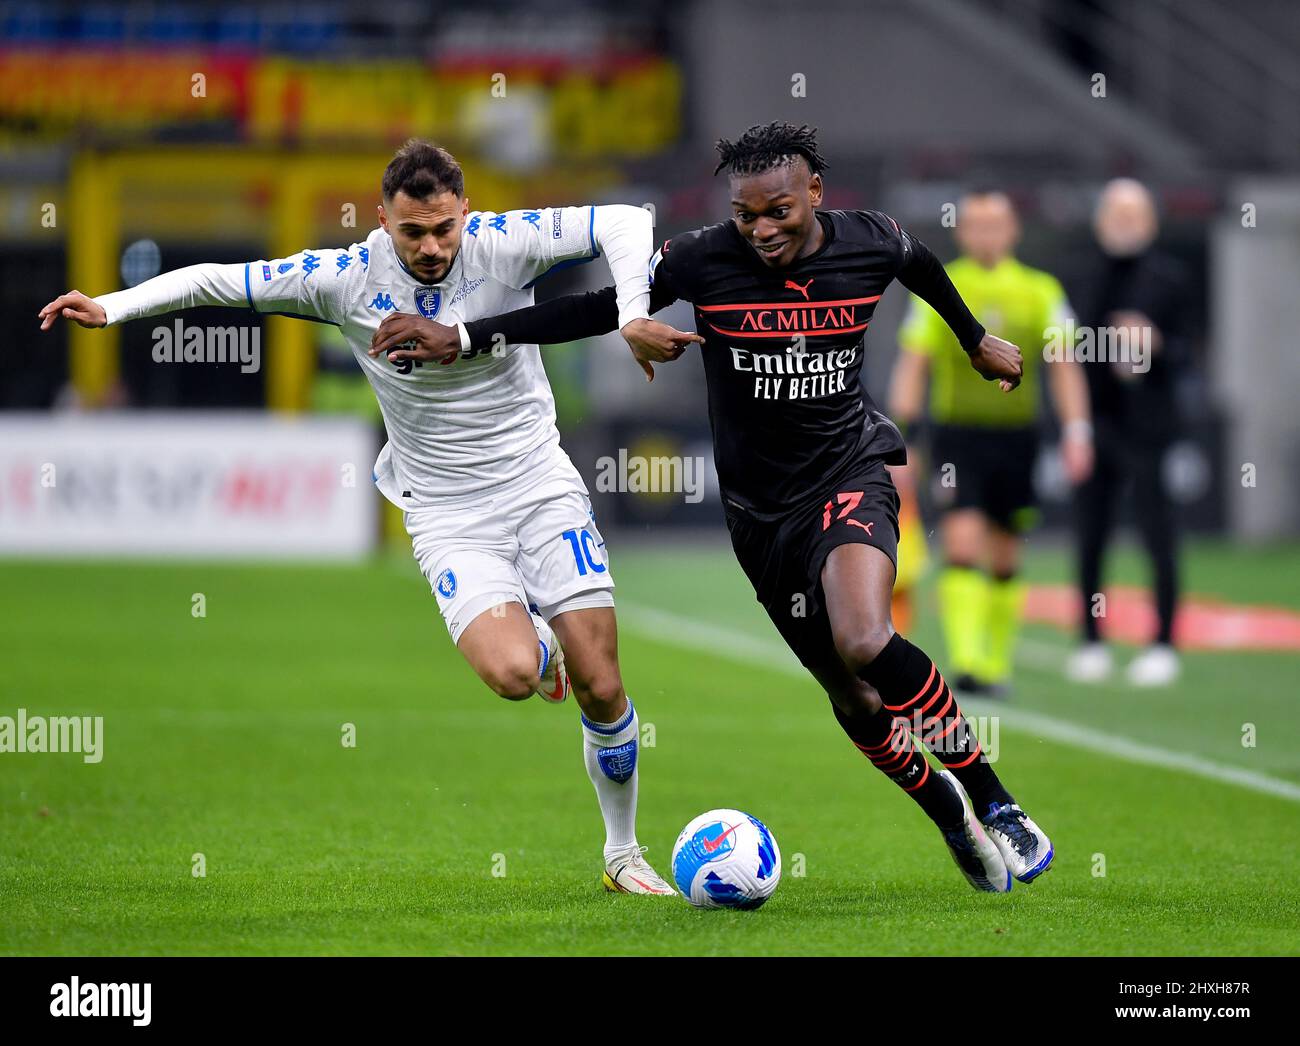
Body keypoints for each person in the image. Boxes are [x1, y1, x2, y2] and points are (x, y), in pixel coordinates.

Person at [371, 123, 1055, 893]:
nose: (761, 229)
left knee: (866, 637)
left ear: (816, 196)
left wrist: (973, 339)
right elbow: (594, 309)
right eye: (745, 214)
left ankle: (997, 803)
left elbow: (919, 263)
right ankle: (947, 811)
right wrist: (464, 333)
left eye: (779, 212)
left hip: (848, 472)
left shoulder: (871, 241)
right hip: (760, 514)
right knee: (852, 695)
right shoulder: (702, 259)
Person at [38, 138, 700, 896]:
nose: (431, 247)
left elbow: (624, 221)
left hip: (539, 484)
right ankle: (544, 651)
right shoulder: (344, 280)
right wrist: (114, 305)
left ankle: (622, 854)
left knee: (605, 687)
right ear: (382, 221)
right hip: (448, 512)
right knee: (517, 673)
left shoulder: (503, 243)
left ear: (465, 215)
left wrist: (632, 314)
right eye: (412, 232)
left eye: (444, 229)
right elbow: (220, 281)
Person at [889, 190, 1092, 696]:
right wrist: (903, 438)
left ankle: (997, 665)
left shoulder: (1041, 290)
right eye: (975, 224)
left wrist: (1077, 431)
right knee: (961, 540)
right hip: (959, 437)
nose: (985, 233)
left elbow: (1064, 366)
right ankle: (968, 663)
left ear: (1012, 230)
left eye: (995, 224)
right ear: (962, 230)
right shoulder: (943, 285)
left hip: (1017, 439)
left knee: (1005, 555)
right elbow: (914, 364)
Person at [1063, 179, 1189, 687]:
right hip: (1097, 424)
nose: (1124, 222)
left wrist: (1154, 345)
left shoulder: (1169, 278)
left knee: (1158, 533)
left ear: (1152, 222)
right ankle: (1091, 640)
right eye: (1115, 212)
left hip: (1150, 429)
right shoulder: (1083, 276)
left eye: (1134, 213)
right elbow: (1065, 353)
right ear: (1099, 220)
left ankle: (1162, 643)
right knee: (1091, 534)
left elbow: (1184, 353)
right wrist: (1075, 426)